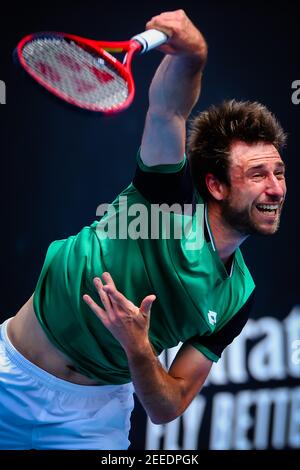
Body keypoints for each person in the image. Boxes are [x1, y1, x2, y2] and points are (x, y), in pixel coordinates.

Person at [0, 9, 286, 450]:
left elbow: (167, 405)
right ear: (216, 185)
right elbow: (170, 109)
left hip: (91, 420)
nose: (276, 188)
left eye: (280, 173)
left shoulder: (238, 297)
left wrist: (138, 346)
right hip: (9, 374)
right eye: (258, 175)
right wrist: (194, 55)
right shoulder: (164, 199)